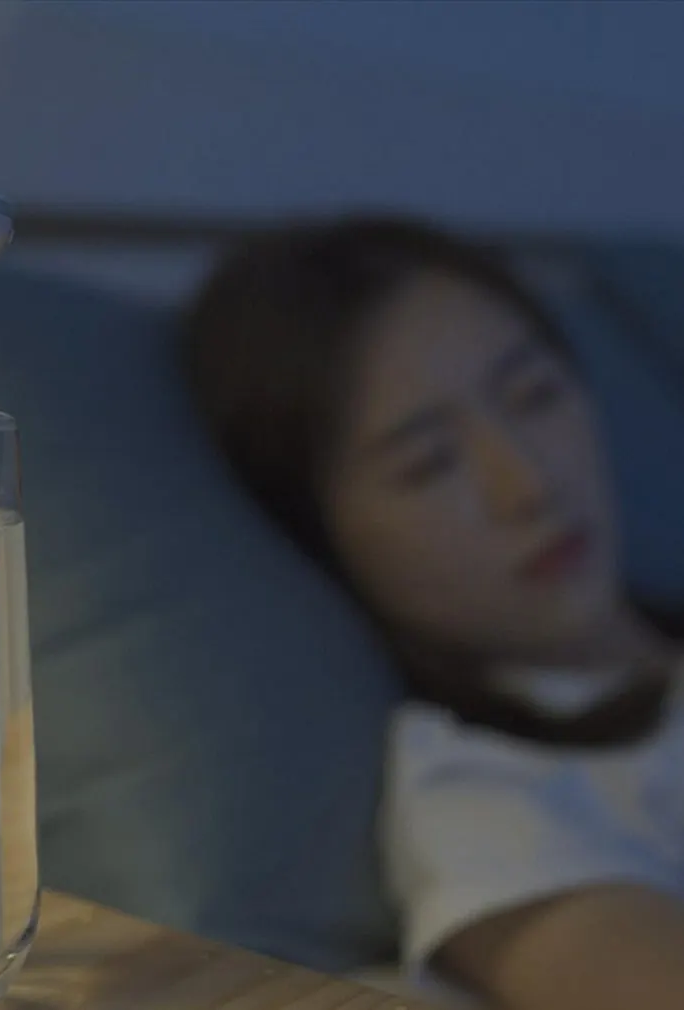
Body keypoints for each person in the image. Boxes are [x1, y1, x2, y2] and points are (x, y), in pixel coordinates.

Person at [181, 217, 684, 1010]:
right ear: (322, 532)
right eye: (429, 464)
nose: (527, 485)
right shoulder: (482, 791)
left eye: (535, 395)